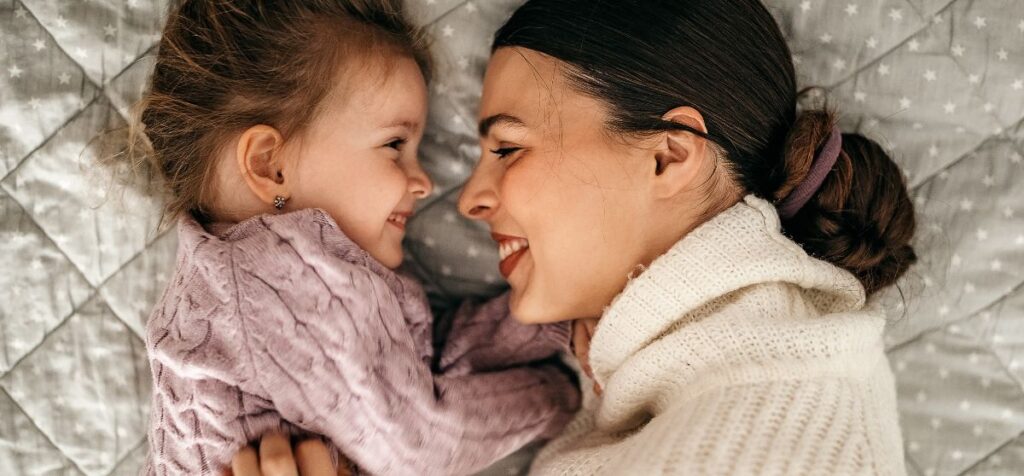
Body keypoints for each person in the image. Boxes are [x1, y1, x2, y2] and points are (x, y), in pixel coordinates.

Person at [238, 0, 916, 474]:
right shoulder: (762, 374)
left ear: (668, 157)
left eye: (506, 148)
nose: (470, 198)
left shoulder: (775, 425)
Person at [129, 1, 580, 475]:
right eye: (394, 146)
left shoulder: (260, 273)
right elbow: (419, 444)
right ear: (270, 165)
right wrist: (559, 398)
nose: (422, 181)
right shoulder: (271, 278)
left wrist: (554, 326)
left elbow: (423, 370)